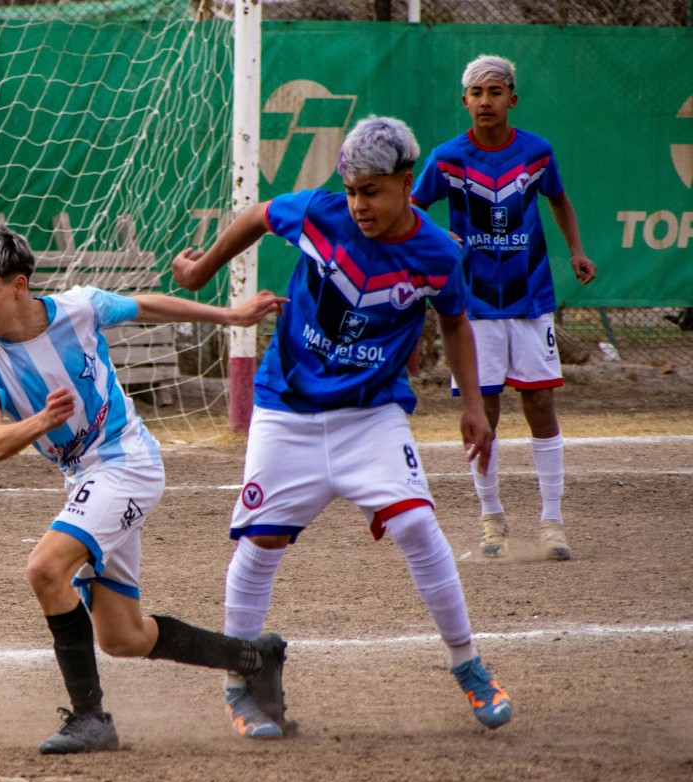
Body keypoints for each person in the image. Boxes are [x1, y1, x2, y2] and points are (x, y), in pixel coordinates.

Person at [170, 116, 513, 734]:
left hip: (371, 415)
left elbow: (456, 321)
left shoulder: (437, 252)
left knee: (416, 523)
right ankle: (239, 684)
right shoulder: (318, 214)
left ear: (407, 184)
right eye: (351, 190)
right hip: (286, 410)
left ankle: (468, 666)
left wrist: (471, 406)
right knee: (260, 545)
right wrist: (203, 271)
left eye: (372, 191)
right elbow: (255, 216)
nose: (358, 204)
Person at [0, 226, 291, 753]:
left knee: (45, 569)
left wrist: (229, 317)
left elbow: (146, 307)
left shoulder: (79, 308)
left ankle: (91, 719)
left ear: (18, 286)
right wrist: (42, 422)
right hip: (83, 479)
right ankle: (255, 659)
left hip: (126, 462)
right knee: (123, 638)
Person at [412, 55, 596, 561]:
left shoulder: (537, 152)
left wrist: (576, 250)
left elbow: (558, 199)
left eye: (496, 92)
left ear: (512, 99)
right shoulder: (447, 158)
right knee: (483, 410)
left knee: (540, 404)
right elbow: (410, 209)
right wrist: (437, 236)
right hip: (471, 307)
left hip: (531, 299)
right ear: (464, 101)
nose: (486, 101)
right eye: (477, 93)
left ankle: (552, 522)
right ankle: (491, 520)